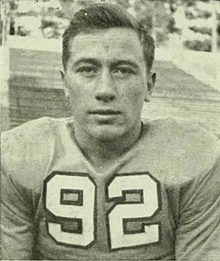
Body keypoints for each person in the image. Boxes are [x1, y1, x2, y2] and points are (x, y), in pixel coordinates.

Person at [1, 3, 220, 260]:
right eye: (87, 70)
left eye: (122, 70)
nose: (105, 90)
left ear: (149, 85)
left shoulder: (195, 155)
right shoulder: (18, 155)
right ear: (65, 83)